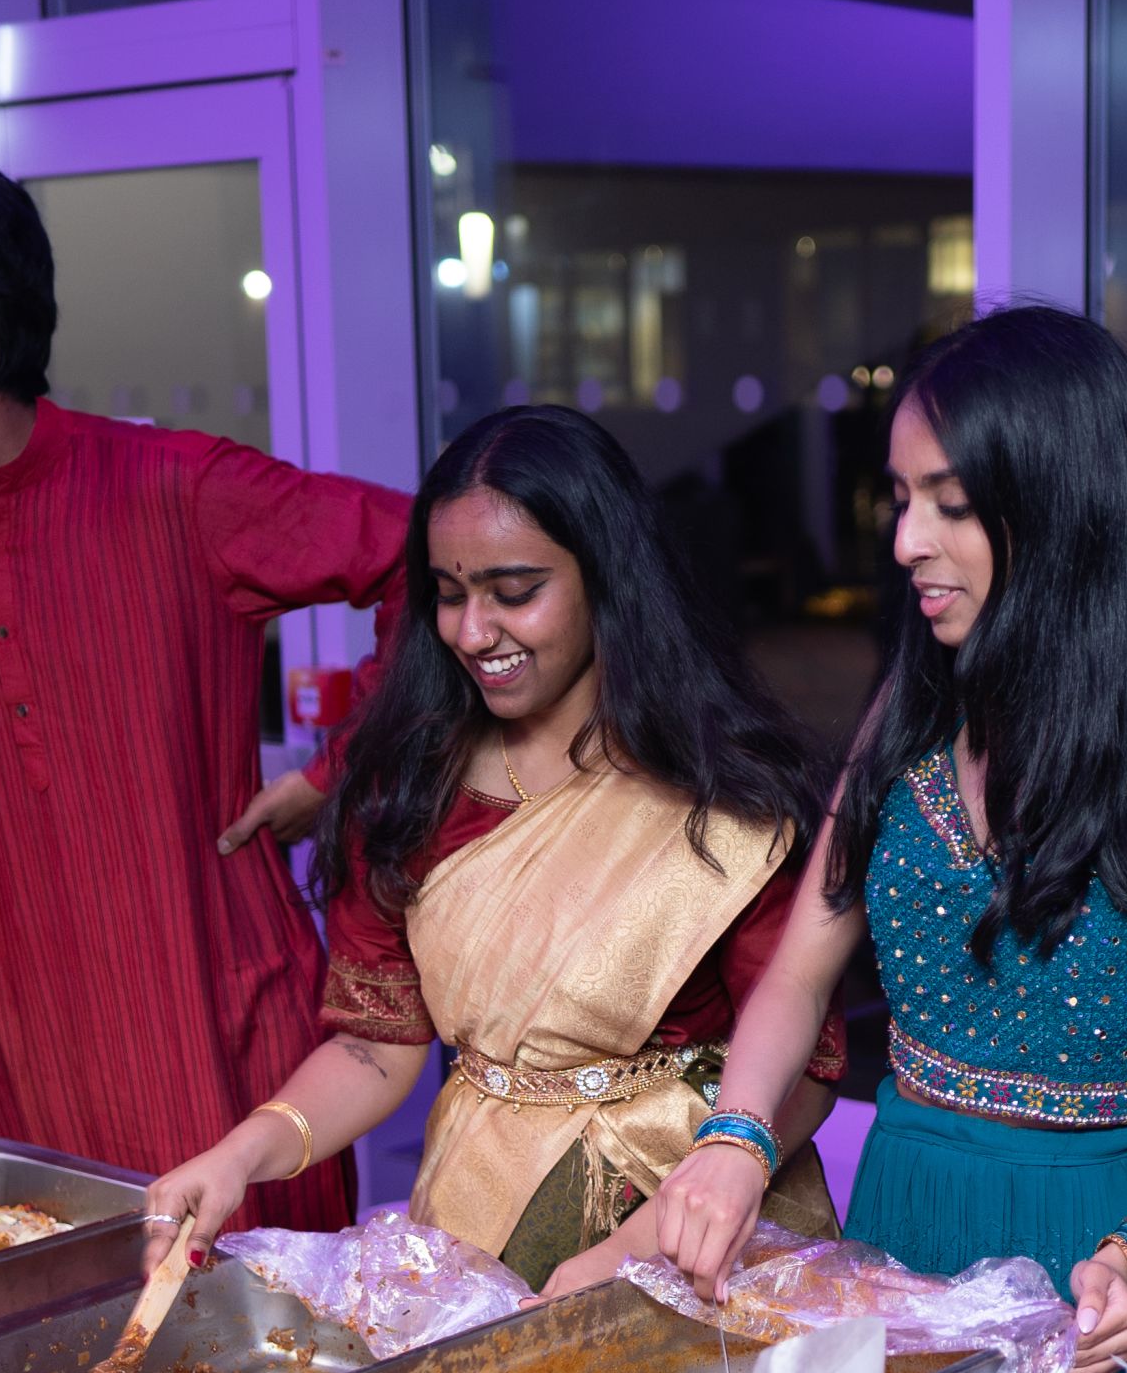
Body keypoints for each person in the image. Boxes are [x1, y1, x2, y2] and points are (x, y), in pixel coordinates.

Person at [641, 306, 1127, 1373]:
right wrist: (735, 1135)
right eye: (901, 498)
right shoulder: (908, 716)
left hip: (1111, 1264)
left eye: (950, 504)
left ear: (1060, 507)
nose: (906, 540)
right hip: (909, 1232)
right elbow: (799, 975)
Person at [0, 159, 410, 1229]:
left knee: (267, 1326)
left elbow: (428, 560)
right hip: (45, 1069)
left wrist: (343, 768)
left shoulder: (177, 488)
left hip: (227, 1042)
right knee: (91, 1324)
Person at [144, 407, 842, 1288]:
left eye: (514, 592)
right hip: (479, 1221)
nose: (472, 632)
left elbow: (807, 1066)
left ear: (605, 578)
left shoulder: (721, 789)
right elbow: (376, 1047)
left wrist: (631, 1255)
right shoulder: (409, 784)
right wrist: (240, 1156)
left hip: (697, 1234)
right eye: (449, 593)